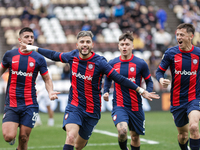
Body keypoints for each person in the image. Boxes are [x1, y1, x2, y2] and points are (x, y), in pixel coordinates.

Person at [22, 30, 160, 150]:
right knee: (70, 137)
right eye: (82, 41)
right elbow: (53, 54)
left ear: (92, 45)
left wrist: (140, 90)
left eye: (88, 41)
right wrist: (34, 48)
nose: (85, 44)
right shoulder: (72, 56)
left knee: (78, 145)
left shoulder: (100, 62)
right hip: (74, 106)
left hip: (92, 111)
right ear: (77, 44)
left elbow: (118, 78)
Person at [0, 27, 60, 150]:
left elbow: (47, 79)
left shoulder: (39, 58)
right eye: (26, 37)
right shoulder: (10, 55)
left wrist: (50, 91)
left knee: (24, 137)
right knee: (8, 137)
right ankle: (12, 134)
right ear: (19, 39)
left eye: (32, 37)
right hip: (12, 103)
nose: (30, 39)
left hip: (30, 103)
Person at [103, 31, 153, 150]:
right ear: (118, 46)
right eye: (122, 44)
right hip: (119, 104)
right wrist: (105, 91)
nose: (124, 46)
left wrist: (149, 91)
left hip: (136, 105)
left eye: (127, 44)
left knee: (135, 137)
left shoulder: (140, 63)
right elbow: (108, 79)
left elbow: (149, 81)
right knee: (122, 131)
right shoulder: (113, 63)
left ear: (132, 46)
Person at [156, 23, 200, 150]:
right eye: (177, 35)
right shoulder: (171, 53)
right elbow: (159, 71)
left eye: (182, 35)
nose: (178, 37)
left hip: (194, 97)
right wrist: (161, 79)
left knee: (193, 127)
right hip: (177, 100)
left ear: (190, 36)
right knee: (183, 134)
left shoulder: (198, 54)